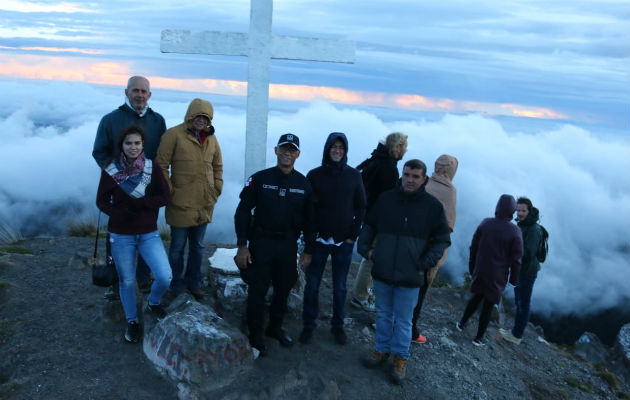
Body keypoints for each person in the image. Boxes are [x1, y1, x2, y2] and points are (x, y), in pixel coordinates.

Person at [358, 159, 451, 385]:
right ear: (402, 175)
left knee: (403, 320)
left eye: (415, 176)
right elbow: (369, 224)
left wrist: (425, 262)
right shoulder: (387, 199)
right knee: (382, 314)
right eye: (407, 175)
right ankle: (381, 350)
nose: (410, 180)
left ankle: (400, 357)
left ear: (424, 179)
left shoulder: (432, 207)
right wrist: (367, 251)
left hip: (411, 276)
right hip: (383, 270)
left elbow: (442, 239)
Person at [234, 133, 315, 357]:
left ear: (297, 154)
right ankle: (256, 336)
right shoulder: (259, 179)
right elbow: (242, 212)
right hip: (261, 243)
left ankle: (275, 328)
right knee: (257, 291)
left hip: (288, 245)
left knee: (283, 289)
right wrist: (242, 245)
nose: (287, 153)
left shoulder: (304, 184)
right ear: (276, 150)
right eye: (284, 148)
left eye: (292, 150)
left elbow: (310, 221)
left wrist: (308, 250)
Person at [96, 125, 172, 344]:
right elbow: (101, 201)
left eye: (137, 143)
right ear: (122, 145)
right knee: (127, 281)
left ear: (143, 145)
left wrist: (143, 204)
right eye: (128, 143)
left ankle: (153, 302)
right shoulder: (111, 170)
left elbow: (164, 196)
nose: (133, 147)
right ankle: (132, 321)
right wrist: (119, 213)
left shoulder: (151, 167)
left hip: (148, 232)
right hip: (121, 234)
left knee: (165, 276)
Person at [92, 76, 167, 292]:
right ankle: (115, 282)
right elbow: (99, 152)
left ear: (149, 95)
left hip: (148, 189)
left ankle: (143, 278)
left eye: (144, 91)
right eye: (135, 90)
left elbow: (160, 155)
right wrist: (116, 176)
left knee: (147, 232)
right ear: (126, 92)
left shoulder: (157, 121)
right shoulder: (110, 120)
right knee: (119, 230)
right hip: (120, 190)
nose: (140, 95)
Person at [299, 132, 366, 345]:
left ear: (345, 151)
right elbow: (307, 211)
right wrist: (309, 240)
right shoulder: (314, 175)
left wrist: (352, 236)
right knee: (312, 284)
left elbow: (362, 206)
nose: (337, 151)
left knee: (340, 287)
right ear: (327, 149)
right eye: (333, 147)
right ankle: (309, 325)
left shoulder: (354, 176)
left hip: (343, 242)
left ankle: (338, 326)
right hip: (318, 240)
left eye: (341, 148)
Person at [156, 98, 223, 302]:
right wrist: (170, 193)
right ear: (190, 116)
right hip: (180, 204)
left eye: (205, 117)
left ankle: (194, 282)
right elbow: (161, 165)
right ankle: (175, 284)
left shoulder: (211, 139)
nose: (201, 120)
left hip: (204, 203)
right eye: (198, 116)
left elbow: (218, 165)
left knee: (198, 246)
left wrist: (216, 188)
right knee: (177, 247)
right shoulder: (173, 135)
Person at [350, 132, 408, 312]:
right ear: (396, 147)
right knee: (371, 258)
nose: (405, 150)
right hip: (377, 219)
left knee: (369, 257)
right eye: (403, 146)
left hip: (367, 215)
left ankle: (360, 294)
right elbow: (387, 198)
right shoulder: (388, 167)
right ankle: (360, 297)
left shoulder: (377, 159)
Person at [456, 194, 523, 347]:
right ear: (512, 210)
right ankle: (478, 338)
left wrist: (472, 267)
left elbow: (473, 247)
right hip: (498, 275)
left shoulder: (485, 223)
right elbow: (517, 259)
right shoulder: (515, 231)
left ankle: (462, 323)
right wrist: (514, 280)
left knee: (476, 297)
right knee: (488, 305)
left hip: (481, 269)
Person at [411, 154, 458, 344]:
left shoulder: (425, 184)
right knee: (420, 290)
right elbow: (448, 224)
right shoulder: (450, 191)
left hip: (412, 244)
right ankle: (411, 331)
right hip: (430, 249)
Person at [500, 197, 543, 344]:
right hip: (520, 270)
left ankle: (517, 335)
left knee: (523, 303)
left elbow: (529, 252)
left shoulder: (534, 229)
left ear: (529, 210)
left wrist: (510, 252)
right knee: (519, 302)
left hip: (527, 272)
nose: (519, 213)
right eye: (518, 210)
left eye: (523, 210)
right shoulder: (522, 225)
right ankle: (514, 332)